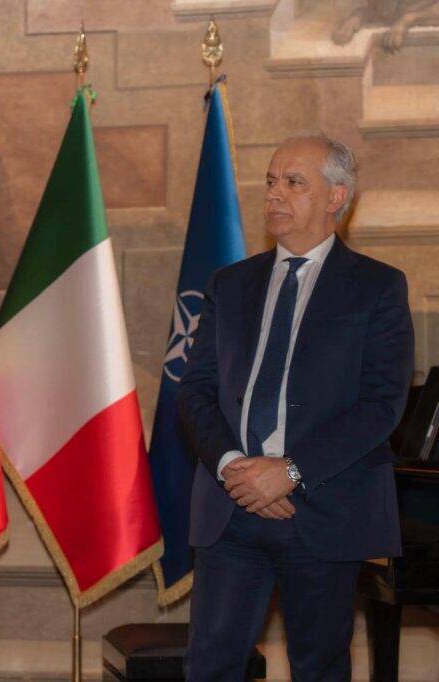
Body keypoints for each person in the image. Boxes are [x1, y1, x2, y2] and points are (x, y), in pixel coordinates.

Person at [178, 135, 413, 680]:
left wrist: (288, 471)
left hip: (323, 510)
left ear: (336, 196)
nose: (274, 194)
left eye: (293, 182)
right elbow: (195, 391)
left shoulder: (377, 287)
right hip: (231, 509)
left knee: (319, 668)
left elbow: (382, 403)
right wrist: (235, 468)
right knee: (209, 666)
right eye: (270, 181)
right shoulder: (229, 284)